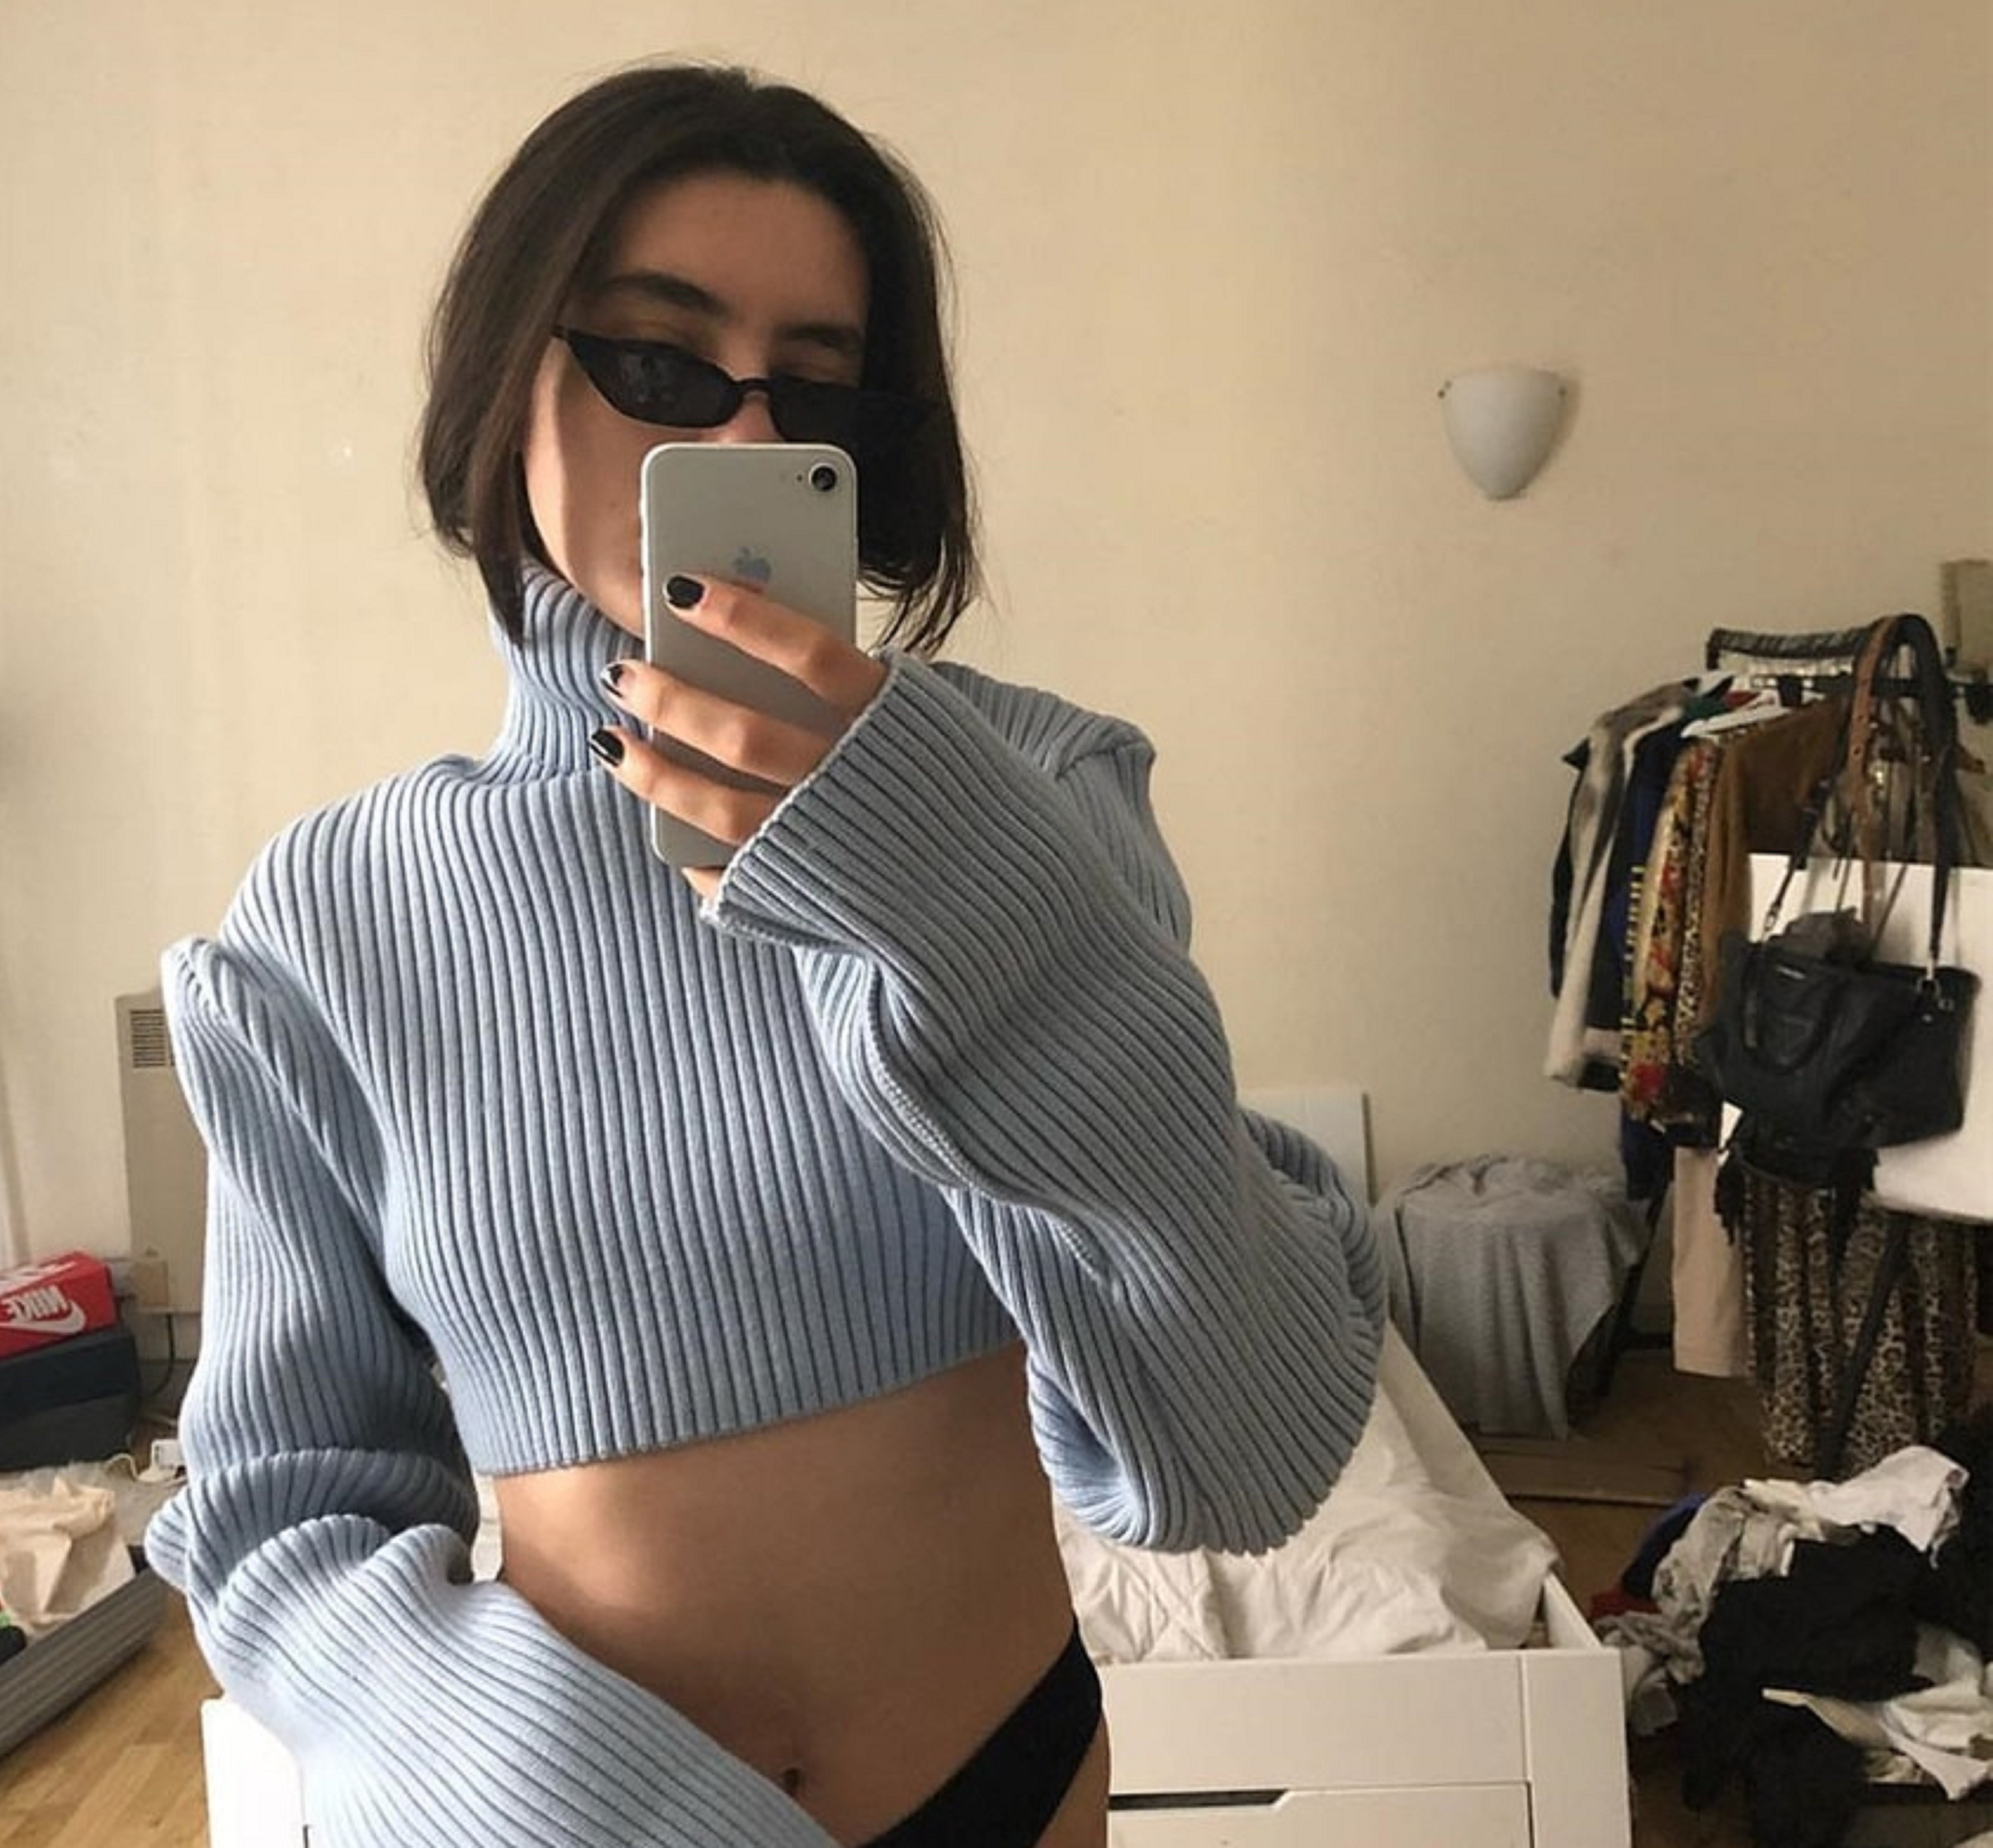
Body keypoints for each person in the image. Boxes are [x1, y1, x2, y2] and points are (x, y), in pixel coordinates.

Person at [146, 61, 1386, 1848]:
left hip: (1014, 1788)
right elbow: (284, 1505)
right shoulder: (332, 912)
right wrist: (519, 1782)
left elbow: (1238, 1449)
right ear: (505, 382)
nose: (738, 454)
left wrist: (933, 872)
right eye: (659, 366)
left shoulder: (1038, 789)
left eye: (812, 392)